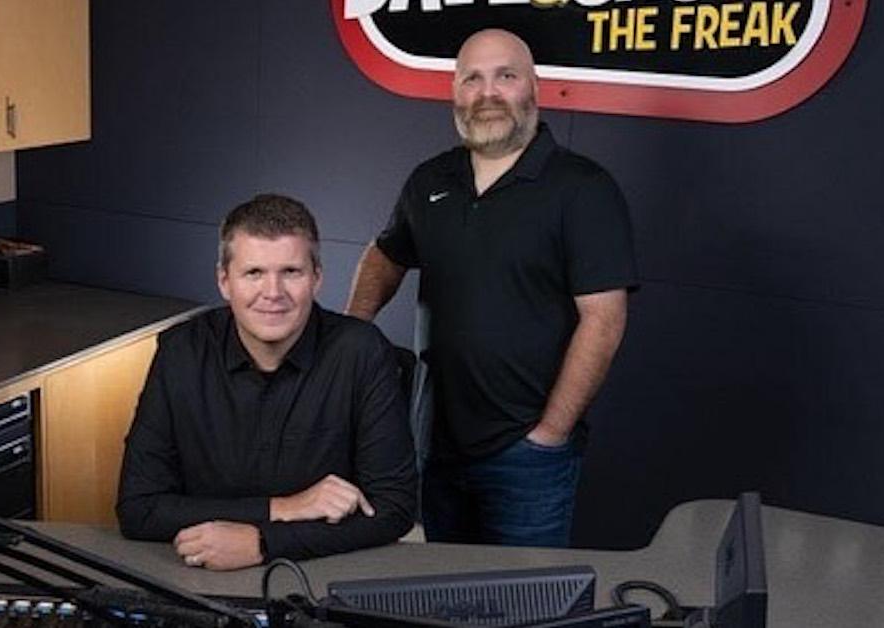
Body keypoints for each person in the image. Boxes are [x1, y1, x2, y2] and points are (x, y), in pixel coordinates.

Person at [346, 29, 636, 547]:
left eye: (506, 76)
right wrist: (347, 339)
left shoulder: (583, 189)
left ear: (534, 88)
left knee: (525, 606)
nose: (488, 93)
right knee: (442, 599)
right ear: (456, 92)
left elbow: (604, 319)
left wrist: (549, 436)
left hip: (527, 458)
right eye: (472, 79)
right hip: (435, 445)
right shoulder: (429, 180)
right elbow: (385, 254)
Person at [118, 194, 417, 570]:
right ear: (224, 281)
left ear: (317, 279)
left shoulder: (362, 352)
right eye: (254, 273)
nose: (273, 293)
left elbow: (394, 509)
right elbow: (139, 508)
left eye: (291, 272)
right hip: (198, 574)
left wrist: (262, 543)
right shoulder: (181, 351)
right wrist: (285, 509)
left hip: (324, 576)